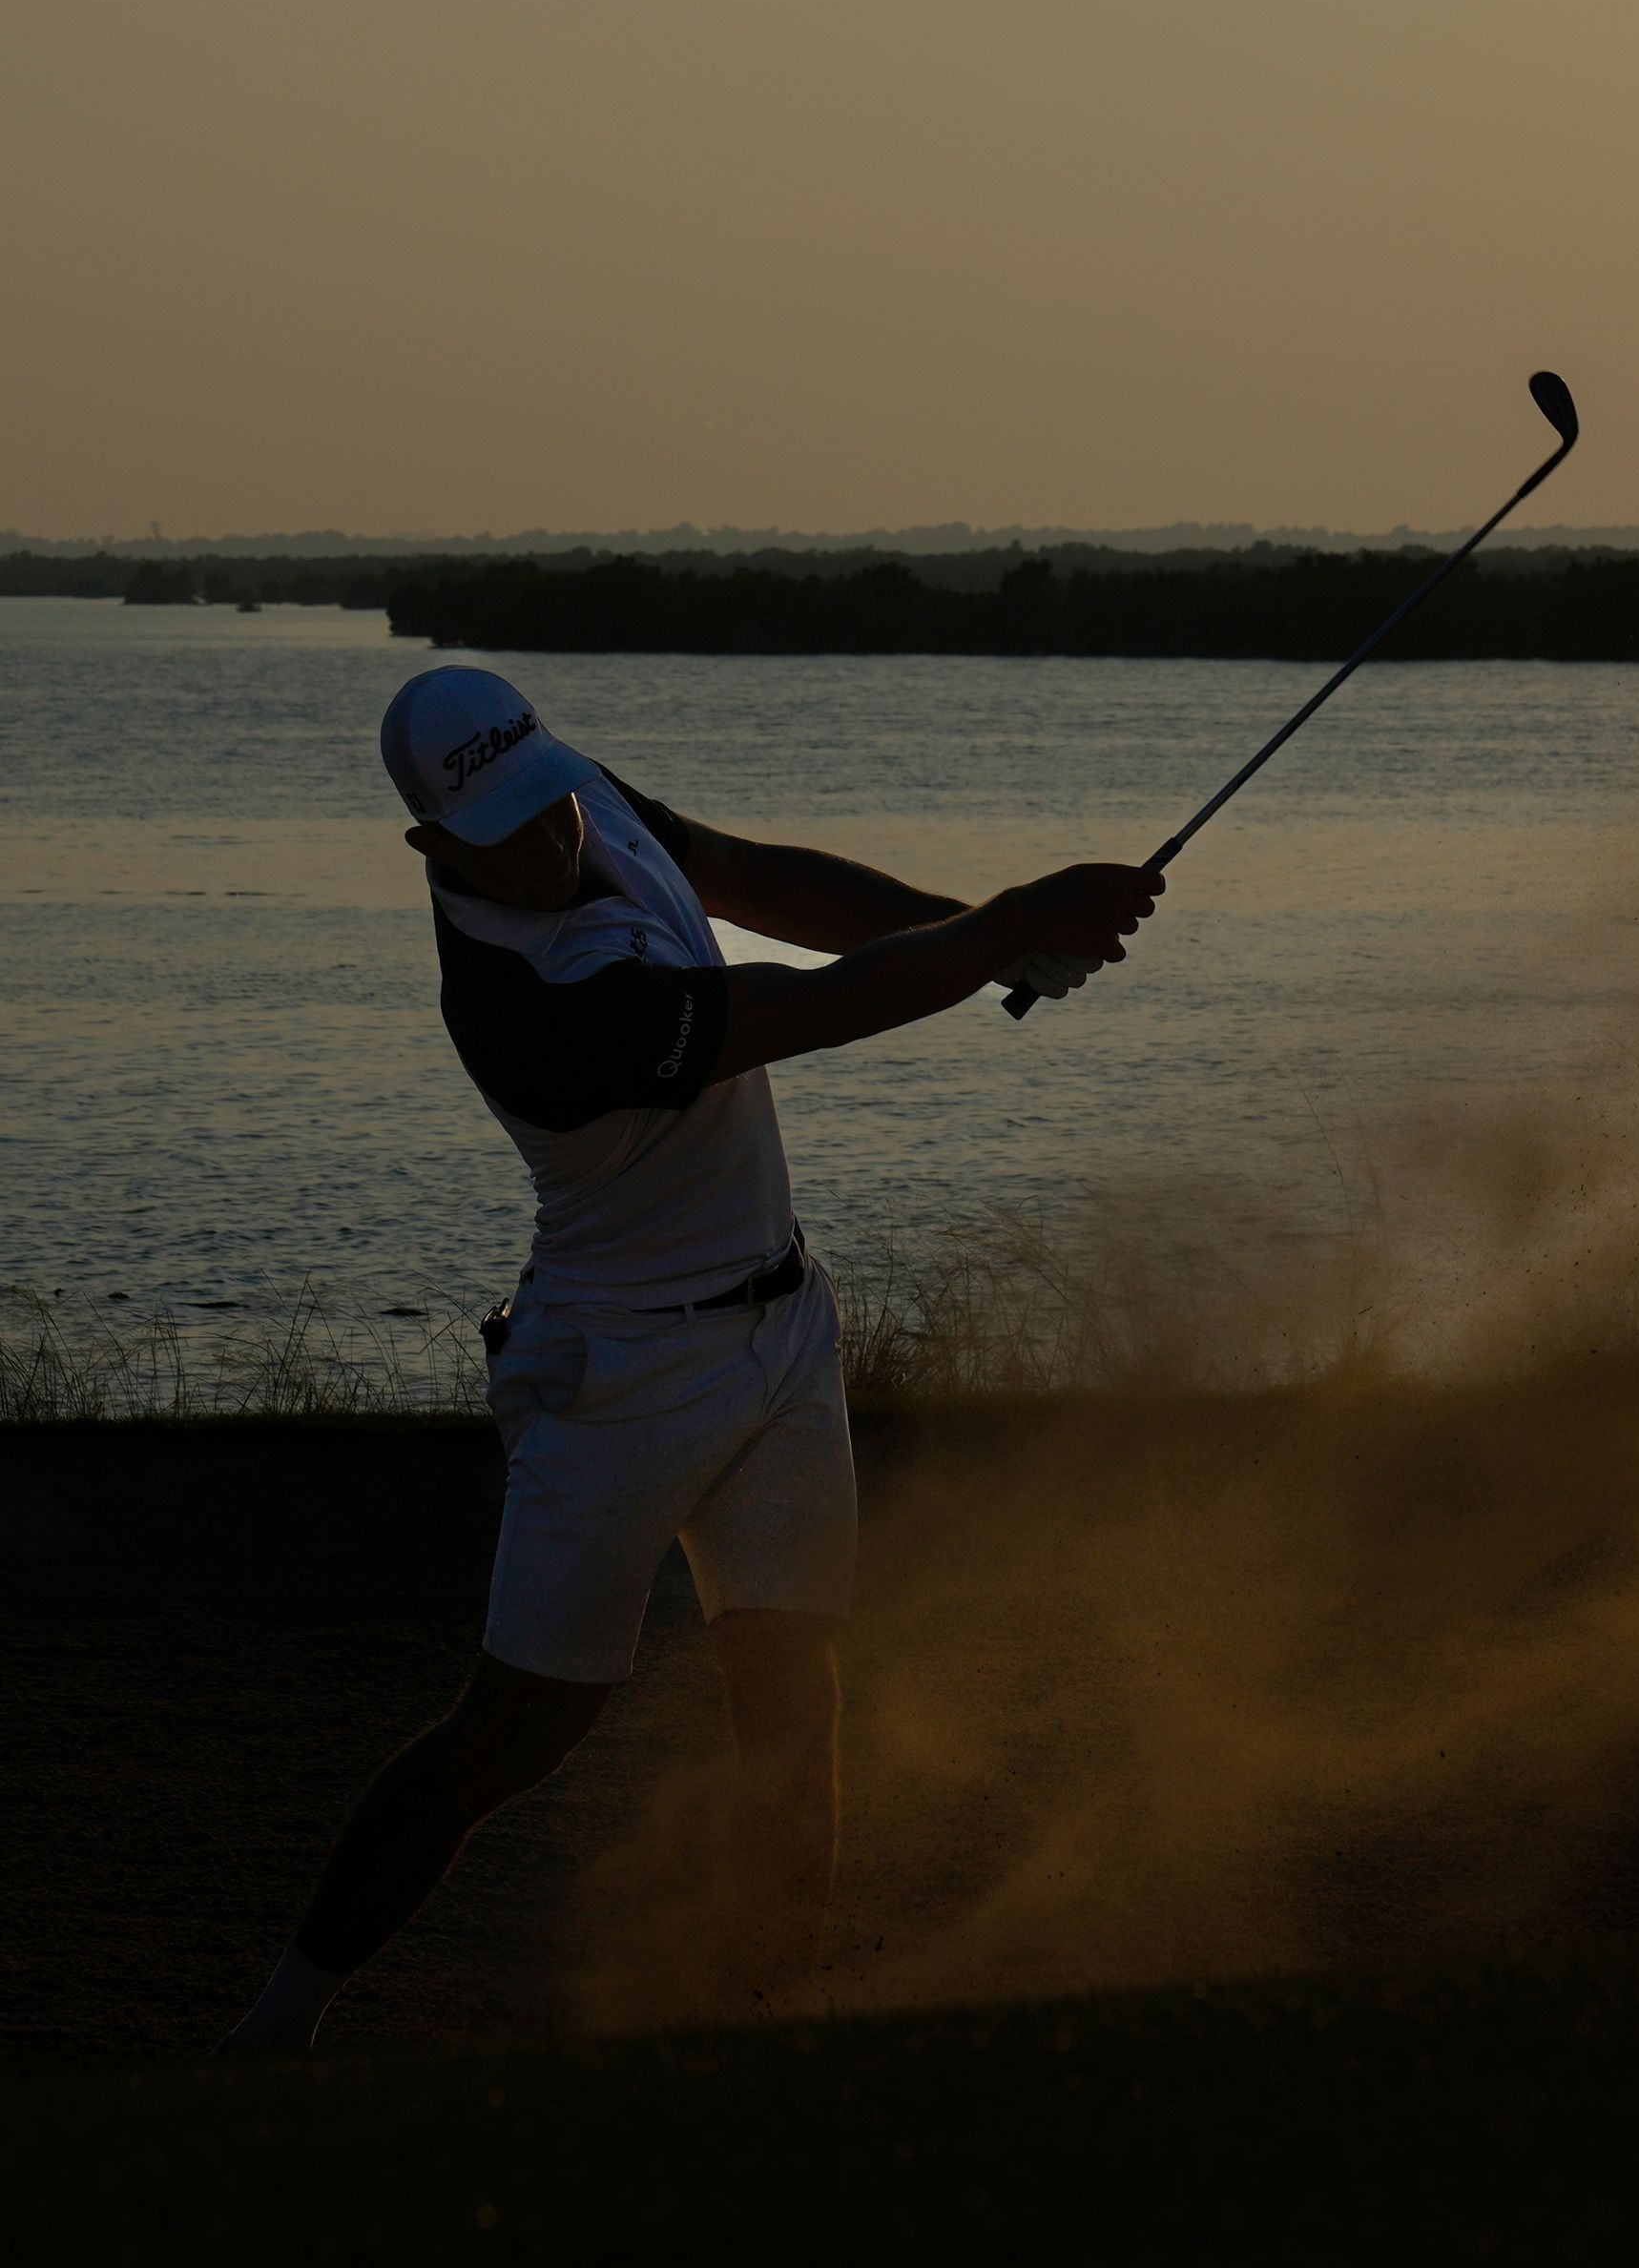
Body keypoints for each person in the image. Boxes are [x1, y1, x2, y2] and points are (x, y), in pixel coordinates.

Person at [221, 666, 1160, 2054]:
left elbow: (743, 875)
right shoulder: (523, 1009)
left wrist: (970, 933)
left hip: (783, 1330)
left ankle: (764, 2033)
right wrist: (1011, 925)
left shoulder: (568, 791)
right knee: (514, 1736)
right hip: (615, 1379)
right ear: (433, 845)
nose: (555, 839)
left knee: (794, 1711)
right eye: (511, 829)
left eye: (553, 802)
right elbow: (807, 1012)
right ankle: (275, 2028)